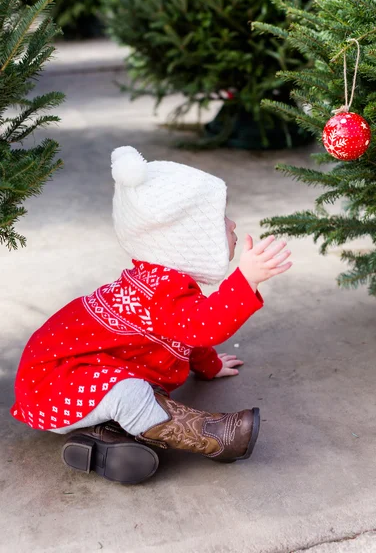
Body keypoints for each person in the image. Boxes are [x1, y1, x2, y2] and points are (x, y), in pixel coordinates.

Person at [10, 146, 292, 484]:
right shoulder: (160, 291)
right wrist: (246, 279)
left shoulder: (163, 282)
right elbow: (201, 327)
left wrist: (210, 366)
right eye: (220, 220)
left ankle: (105, 436)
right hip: (54, 385)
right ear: (186, 242)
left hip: (78, 377)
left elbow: (183, 334)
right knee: (130, 394)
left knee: (127, 393)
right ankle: (213, 436)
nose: (232, 224)